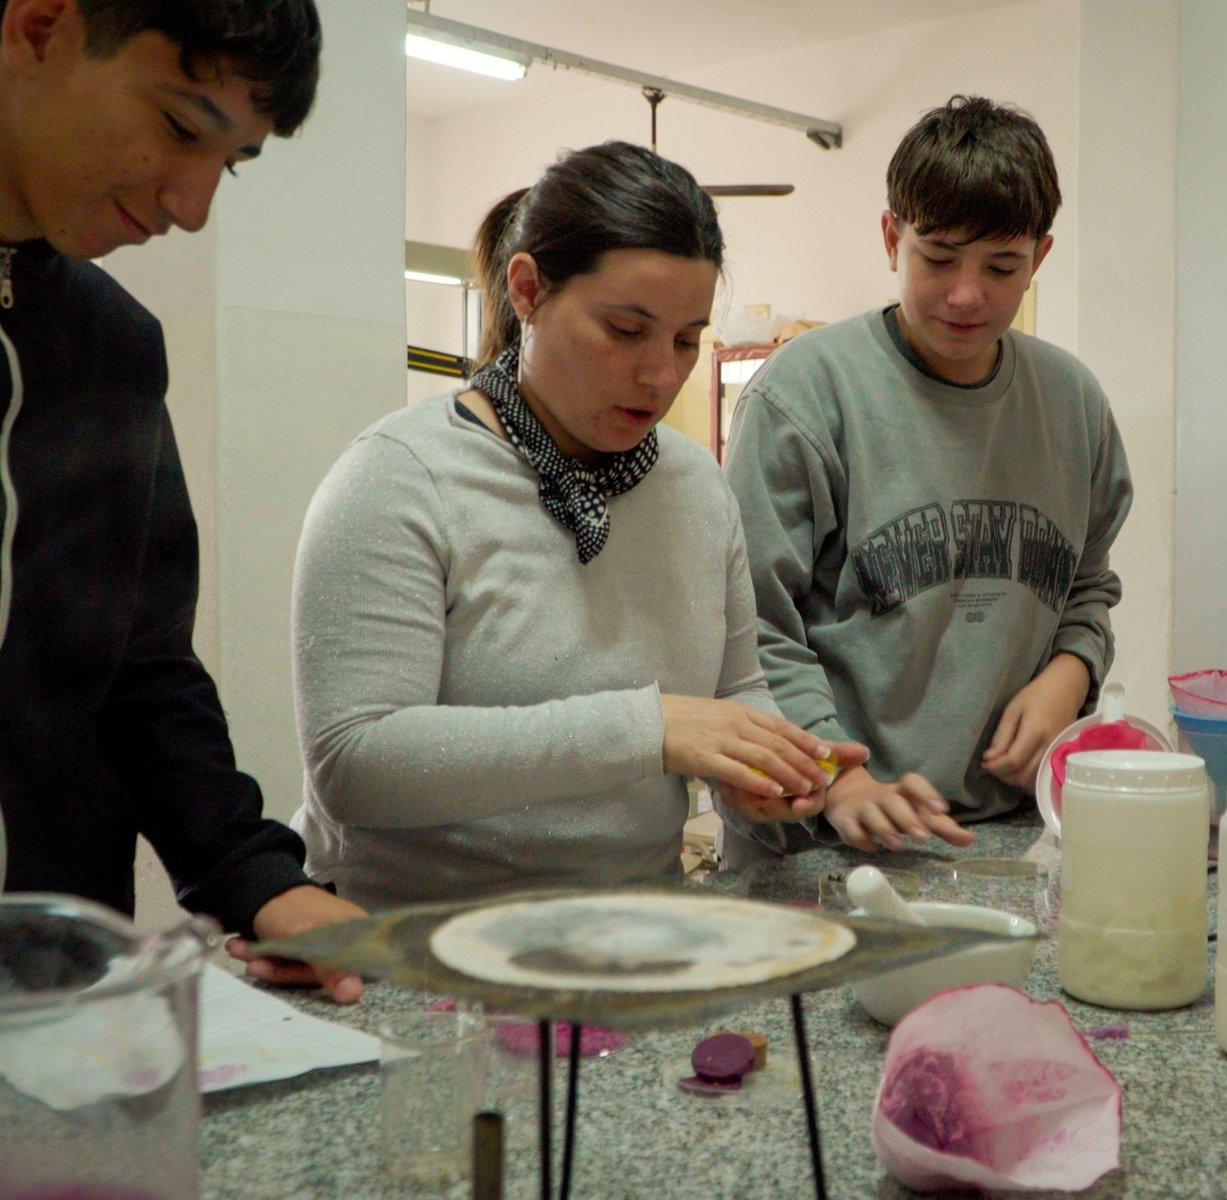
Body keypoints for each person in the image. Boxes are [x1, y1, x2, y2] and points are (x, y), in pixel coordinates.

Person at [290, 142, 866, 909]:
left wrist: (767, 767)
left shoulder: (695, 486)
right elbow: (355, 764)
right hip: (422, 938)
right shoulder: (400, 478)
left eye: (686, 340)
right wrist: (647, 729)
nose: (661, 374)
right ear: (528, 291)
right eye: (625, 330)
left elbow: (736, 689)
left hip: (635, 928)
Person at [0, 0, 362, 1000]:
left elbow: (141, 669)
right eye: (178, 125)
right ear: (40, 28)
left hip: (56, 996)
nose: (192, 207)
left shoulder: (112, 347)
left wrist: (259, 880)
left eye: (229, 162)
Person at [723, 96, 1133, 852]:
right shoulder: (804, 396)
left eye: (1002, 266)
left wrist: (1070, 671)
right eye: (938, 258)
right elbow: (751, 628)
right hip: (822, 840)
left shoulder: (1072, 403)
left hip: (1003, 831)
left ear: (1039, 258)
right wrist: (836, 776)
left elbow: (1088, 585)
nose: (967, 294)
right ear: (892, 238)